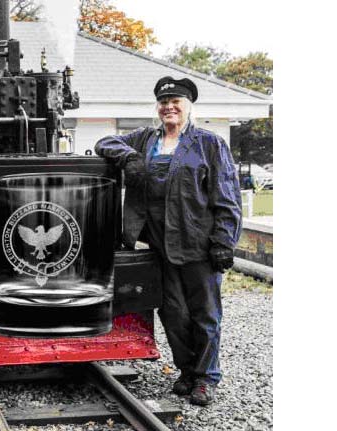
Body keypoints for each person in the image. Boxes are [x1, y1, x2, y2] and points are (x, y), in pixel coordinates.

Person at [94, 76, 242, 406]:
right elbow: (105, 142)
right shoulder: (145, 139)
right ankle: (186, 372)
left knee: (204, 314)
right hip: (157, 245)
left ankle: (206, 377)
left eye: (176, 102)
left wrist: (223, 241)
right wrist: (128, 157)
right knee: (172, 313)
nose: (169, 107)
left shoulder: (209, 144)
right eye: (164, 102)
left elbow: (227, 197)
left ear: (189, 106)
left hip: (198, 245)